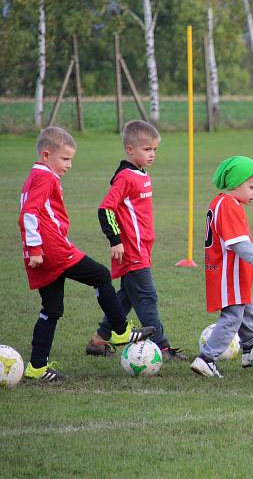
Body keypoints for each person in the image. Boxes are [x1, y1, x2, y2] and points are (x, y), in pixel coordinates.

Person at [19, 127, 154, 381]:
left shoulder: (35, 176)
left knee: (51, 309)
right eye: (65, 159)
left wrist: (32, 250)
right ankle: (122, 331)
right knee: (101, 275)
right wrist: (35, 248)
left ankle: (36, 368)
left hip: (43, 252)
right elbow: (28, 213)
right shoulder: (45, 178)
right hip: (54, 250)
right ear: (46, 155)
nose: (69, 165)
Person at [86, 120, 185, 361]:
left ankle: (99, 340)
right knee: (147, 296)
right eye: (147, 149)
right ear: (130, 149)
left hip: (143, 248)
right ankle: (161, 346)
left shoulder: (141, 173)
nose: (152, 155)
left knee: (128, 296)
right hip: (131, 249)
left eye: (155, 150)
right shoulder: (126, 177)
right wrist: (115, 240)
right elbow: (105, 208)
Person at [191, 156, 253, 378]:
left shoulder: (222, 203)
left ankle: (250, 350)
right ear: (236, 183)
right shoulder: (228, 205)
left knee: (247, 309)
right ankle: (207, 358)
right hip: (230, 274)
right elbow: (238, 243)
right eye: (252, 187)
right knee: (233, 316)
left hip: (233, 274)